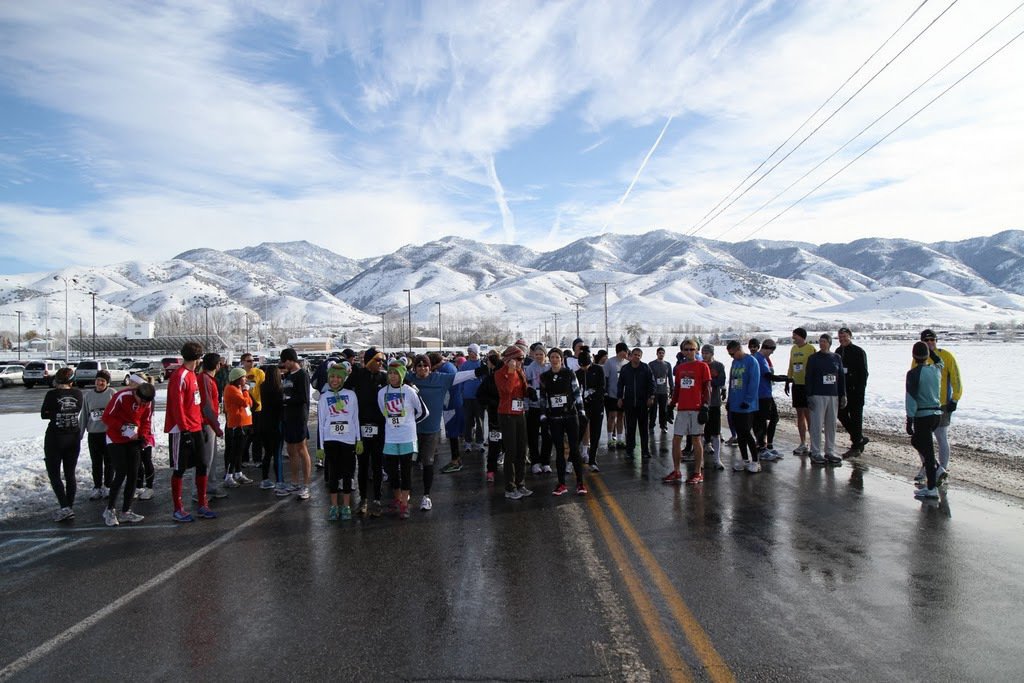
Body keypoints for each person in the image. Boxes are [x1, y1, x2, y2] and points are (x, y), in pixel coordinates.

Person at [405, 353, 478, 511]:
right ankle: (406, 492)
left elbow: (463, 375)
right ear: (415, 368)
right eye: (419, 366)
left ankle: (426, 496)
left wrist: (482, 370)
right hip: (411, 430)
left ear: (430, 367)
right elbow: (392, 374)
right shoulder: (409, 378)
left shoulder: (440, 379)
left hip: (431, 431)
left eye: (425, 365)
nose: (422, 368)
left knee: (428, 463)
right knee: (409, 462)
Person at [165, 341, 213, 522]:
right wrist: (184, 430)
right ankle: (178, 509)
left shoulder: (193, 374)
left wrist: (201, 423)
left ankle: (203, 504)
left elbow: (195, 403)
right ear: (198, 358)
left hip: (196, 426)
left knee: (202, 464)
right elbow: (177, 405)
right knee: (180, 469)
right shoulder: (180, 375)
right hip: (181, 429)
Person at [378, 358, 428, 519]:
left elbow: (423, 412)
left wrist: (410, 423)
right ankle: (397, 498)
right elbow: (383, 412)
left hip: (407, 437)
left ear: (402, 374)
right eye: (390, 373)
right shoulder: (381, 393)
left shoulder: (409, 391)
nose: (392, 376)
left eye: (396, 374)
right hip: (391, 438)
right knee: (392, 472)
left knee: (406, 471)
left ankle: (405, 503)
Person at [101, 381, 156, 526]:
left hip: (133, 439)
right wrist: (123, 427)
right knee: (121, 472)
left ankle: (126, 510)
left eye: (146, 402)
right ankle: (110, 508)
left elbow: (146, 420)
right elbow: (106, 417)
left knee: (134, 473)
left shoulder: (147, 403)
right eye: (141, 400)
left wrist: (143, 435)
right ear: (136, 393)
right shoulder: (122, 396)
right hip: (116, 438)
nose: (143, 404)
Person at [540, 348, 587, 496]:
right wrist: (543, 415)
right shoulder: (544, 376)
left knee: (574, 449)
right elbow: (543, 398)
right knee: (559, 451)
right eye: (552, 357)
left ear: (561, 359)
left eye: (557, 357)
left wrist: (581, 411)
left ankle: (580, 483)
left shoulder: (569, 373)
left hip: (570, 416)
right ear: (549, 359)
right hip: (555, 418)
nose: (554, 360)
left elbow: (576, 393)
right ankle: (561, 484)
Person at [318, 362, 362, 521]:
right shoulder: (324, 397)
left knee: (348, 474)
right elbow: (321, 423)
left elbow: (355, 418)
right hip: (331, 439)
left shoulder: (351, 395)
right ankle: (334, 506)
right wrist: (320, 446)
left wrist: (359, 439)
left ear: (343, 379)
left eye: (338, 377)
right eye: (332, 377)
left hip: (348, 439)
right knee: (333, 475)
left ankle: (346, 505)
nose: (335, 380)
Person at [663, 340, 711, 484]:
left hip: (696, 409)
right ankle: (677, 471)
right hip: (682, 409)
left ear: (697, 351)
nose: (689, 352)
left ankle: (698, 473)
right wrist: (671, 405)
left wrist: (705, 406)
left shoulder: (703, 366)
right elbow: (677, 388)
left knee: (696, 440)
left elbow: (707, 388)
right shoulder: (680, 368)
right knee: (676, 439)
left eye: (692, 349)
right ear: (682, 351)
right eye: (686, 349)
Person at [346, 348, 386, 516]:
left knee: (377, 465)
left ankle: (377, 499)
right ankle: (363, 499)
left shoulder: (384, 377)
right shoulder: (358, 375)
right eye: (377, 360)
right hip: (361, 427)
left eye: (382, 361)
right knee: (362, 465)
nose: (381, 364)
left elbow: (401, 384)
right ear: (369, 361)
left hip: (379, 426)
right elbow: (344, 389)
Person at [919, 329, 962, 484]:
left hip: (942, 405)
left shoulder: (946, 356)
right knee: (923, 440)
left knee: (941, 437)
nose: (930, 343)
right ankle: (927, 465)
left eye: (932, 340)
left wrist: (955, 398)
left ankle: (942, 469)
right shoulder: (919, 357)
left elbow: (956, 377)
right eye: (926, 340)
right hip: (924, 405)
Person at [41, 367, 84, 522]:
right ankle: (69, 507)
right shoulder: (78, 394)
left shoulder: (52, 394)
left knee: (54, 473)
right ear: (72, 381)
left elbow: (43, 414)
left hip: (55, 437)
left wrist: (55, 413)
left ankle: (64, 506)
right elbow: (77, 410)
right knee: (70, 473)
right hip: (73, 436)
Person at [906, 342, 944, 499]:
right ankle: (936, 470)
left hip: (923, 415)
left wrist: (909, 418)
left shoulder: (913, 373)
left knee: (927, 452)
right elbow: (939, 361)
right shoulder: (936, 370)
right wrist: (932, 351)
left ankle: (932, 487)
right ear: (927, 355)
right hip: (936, 414)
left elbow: (911, 398)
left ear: (913, 356)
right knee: (916, 441)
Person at [495, 345, 531, 499]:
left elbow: (522, 390)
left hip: (519, 412)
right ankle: (510, 487)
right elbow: (507, 391)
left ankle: (520, 483)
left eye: (522, 359)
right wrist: (510, 371)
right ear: (509, 360)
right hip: (507, 414)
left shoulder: (520, 371)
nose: (521, 362)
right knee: (511, 451)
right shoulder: (500, 373)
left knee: (522, 450)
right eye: (518, 359)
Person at [806, 334, 846, 467]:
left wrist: (843, 395)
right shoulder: (813, 358)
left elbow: (840, 377)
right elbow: (809, 377)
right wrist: (809, 395)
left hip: (833, 395)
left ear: (829, 343)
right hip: (818, 394)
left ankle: (829, 450)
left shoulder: (836, 358)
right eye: (820, 341)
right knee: (817, 424)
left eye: (824, 341)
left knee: (831, 424)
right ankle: (815, 451)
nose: (822, 344)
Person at [280, 348, 312, 499]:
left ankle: (305, 484)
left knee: (301, 449)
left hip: (299, 417)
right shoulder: (287, 376)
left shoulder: (302, 375)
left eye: (285, 361)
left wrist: (287, 401)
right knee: (291, 450)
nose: (284, 364)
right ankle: (294, 482)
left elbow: (304, 397)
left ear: (291, 360)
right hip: (288, 417)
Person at [726, 340, 760, 472]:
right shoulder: (735, 362)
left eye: (732, 354)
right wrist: (729, 400)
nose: (731, 357)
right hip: (735, 403)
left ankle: (756, 461)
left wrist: (748, 400)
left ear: (739, 350)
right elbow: (732, 382)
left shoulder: (751, 362)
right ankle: (745, 459)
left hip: (747, 406)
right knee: (740, 434)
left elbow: (754, 383)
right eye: (729, 355)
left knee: (746, 433)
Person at [80, 369, 115, 501]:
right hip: (94, 433)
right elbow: (84, 414)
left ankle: (108, 486)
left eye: (103, 381)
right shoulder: (88, 396)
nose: (100, 383)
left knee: (109, 461)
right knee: (96, 462)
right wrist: (81, 432)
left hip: (108, 433)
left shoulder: (112, 393)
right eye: (98, 380)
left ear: (107, 383)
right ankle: (97, 487)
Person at [835, 327, 869, 456]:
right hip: (843, 391)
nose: (842, 339)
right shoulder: (838, 351)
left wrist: (860, 390)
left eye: (844, 337)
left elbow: (864, 372)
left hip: (856, 391)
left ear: (850, 336)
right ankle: (858, 438)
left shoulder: (858, 351)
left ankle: (856, 446)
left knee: (856, 418)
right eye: (840, 337)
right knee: (841, 414)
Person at [197, 353, 227, 498]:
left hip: (211, 421)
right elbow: (206, 404)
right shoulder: (204, 379)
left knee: (212, 457)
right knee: (205, 459)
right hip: (206, 422)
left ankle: (210, 486)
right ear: (217, 365)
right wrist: (215, 425)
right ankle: (199, 491)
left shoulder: (209, 379)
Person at [617, 347, 656, 460]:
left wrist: (651, 396)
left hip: (642, 404)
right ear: (631, 355)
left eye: (639, 355)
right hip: (629, 404)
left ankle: (645, 451)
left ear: (641, 356)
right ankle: (629, 450)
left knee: (644, 429)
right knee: (630, 428)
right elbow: (620, 384)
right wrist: (619, 398)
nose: (636, 357)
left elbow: (651, 383)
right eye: (635, 354)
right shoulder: (625, 369)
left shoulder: (645, 368)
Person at [754, 339, 789, 462]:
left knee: (774, 417)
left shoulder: (762, 359)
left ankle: (768, 444)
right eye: (772, 351)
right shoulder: (759, 358)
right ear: (768, 348)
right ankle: (761, 447)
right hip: (761, 395)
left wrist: (784, 378)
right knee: (761, 421)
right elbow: (768, 376)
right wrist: (785, 378)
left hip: (766, 393)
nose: (772, 354)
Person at [256, 363, 286, 494]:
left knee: (267, 453)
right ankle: (279, 481)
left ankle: (265, 479)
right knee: (277, 453)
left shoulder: (263, 387)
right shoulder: (279, 389)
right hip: (276, 424)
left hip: (264, 422)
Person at [525, 343, 553, 475]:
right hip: (534, 406)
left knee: (547, 435)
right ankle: (535, 462)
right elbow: (526, 385)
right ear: (533, 355)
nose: (539, 356)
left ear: (545, 355)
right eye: (536, 354)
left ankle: (546, 461)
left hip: (547, 406)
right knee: (533, 435)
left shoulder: (549, 367)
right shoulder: (530, 368)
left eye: (541, 354)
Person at [476, 351, 503, 484]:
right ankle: (491, 470)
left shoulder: (511, 376)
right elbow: (480, 395)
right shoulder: (490, 378)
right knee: (494, 444)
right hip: (495, 417)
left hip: (507, 417)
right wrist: (493, 402)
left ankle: (494, 470)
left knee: (501, 444)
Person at [223, 366, 254, 485]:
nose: (245, 379)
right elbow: (245, 402)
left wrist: (245, 392)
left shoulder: (239, 389)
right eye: (243, 377)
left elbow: (249, 403)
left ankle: (238, 472)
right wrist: (246, 391)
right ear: (237, 378)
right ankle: (229, 475)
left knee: (240, 450)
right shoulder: (231, 389)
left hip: (245, 422)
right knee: (234, 451)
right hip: (237, 423)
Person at [787, 327, 815, 455]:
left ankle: (814, 443)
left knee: (809, 415)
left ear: (801, 336)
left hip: (807, 385)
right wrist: (788, 380)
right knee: (799, 415)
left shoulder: (810, 349)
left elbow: (815, 366)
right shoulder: (793, 349)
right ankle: (803, 442)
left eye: (795, 336)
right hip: (796, 384)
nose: (793, 338)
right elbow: (791, 365)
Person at [576, 350, 605, 471]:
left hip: (597, 405)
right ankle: (572, 460)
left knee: (595, 433)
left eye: (586, 366)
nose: (584, 368)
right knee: (579, 433)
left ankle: (592, 460)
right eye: (582, 366)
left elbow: (602, 387)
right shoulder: (578, 373)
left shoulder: (598, 370)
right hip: (583, 407)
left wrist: (591, 394)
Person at [701, 344, 727, 470]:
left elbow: (721, 381)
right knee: (700, 431)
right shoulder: (700, 365)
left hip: (715, 402)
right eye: (703, 352)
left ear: (712, 353)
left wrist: (708, 381)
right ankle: (700, 458)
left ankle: (717, 459)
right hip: (701, 403)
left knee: (716, 431)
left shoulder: (719, 366)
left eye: (707, 353)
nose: (704, 355)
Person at [460, 343, 486, 456]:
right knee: (468, 421)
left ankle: (480, 442)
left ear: (476, 352)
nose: (470, 354)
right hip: (467, 397)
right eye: (469, 352)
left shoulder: (482, 364)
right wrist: (461, 394)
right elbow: (460, 379)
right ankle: (468, 442)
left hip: (479, 398)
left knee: (480, 422)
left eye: (472, 352)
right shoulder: (465, 365)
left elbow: (486, 380)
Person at [240, 352, 266, 466]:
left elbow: (264, 387)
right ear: (242, 362)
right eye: (248, 361)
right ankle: (244, 459)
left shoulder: (259, 372)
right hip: (244, 408)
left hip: (257, 408)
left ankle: (257, 459)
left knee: (257, 435)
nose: (252, 362)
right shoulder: (239, 374)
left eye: (253, 360)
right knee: (245, 435)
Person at [604, 343, 629, 448]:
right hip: (612, 394)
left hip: (623, 395)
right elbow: (605, 378)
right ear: (620, 351)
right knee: (612, 416)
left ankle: (619, 439)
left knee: (621, 416)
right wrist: (605, 392)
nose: (627, 353)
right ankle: (610, 439)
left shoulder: (627, 363)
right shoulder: (610, 362)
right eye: (626, 351)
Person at [648, 347, 674, 433]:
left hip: (663, 391)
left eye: (663, 353)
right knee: (653, 410)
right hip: (654, 391)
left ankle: (663, 426)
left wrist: (672, 389)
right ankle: (651, 426)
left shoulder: (667, 364)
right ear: (657, 354)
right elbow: (648, 378)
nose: (661, 354)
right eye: (660, 353)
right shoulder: (651, 364)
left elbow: (670, 378)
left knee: (663, 410)